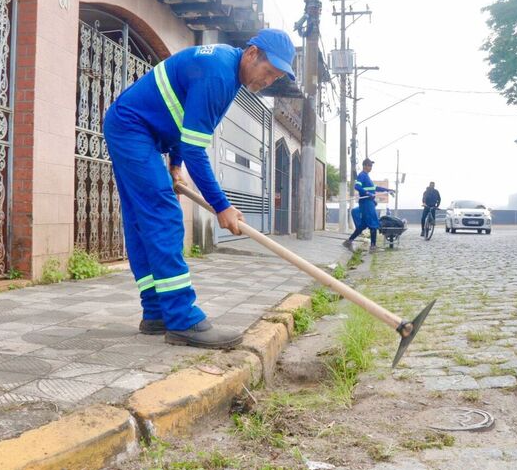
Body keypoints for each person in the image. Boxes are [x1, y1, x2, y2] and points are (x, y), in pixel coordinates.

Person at [103, 28, 296, 349]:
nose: (269, 81)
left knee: (141, 220)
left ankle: (156, 312)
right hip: (131, 127)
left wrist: (175, 165)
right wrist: (222, 206)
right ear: (252, 54)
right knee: (163, 213)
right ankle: (182, 319)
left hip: (139, 130)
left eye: (276, 77)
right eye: (269, 71)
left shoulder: (228, 73)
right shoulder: (218, 74)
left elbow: (186, 124)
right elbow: (196, 150)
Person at [343, 158, 395, 252]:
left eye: (371, 166)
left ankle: (348, 241)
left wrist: (388, 190)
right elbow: (357, 186)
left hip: (368, 203)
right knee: (373, 223)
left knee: (363, 225)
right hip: (366, 203)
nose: (371, 167)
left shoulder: (367, 177)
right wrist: (367, 193)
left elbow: (375, 188)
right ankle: (373, 247)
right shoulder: (362, 175)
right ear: (364, 166)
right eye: (369, 165)